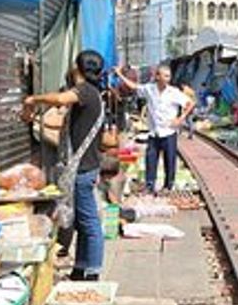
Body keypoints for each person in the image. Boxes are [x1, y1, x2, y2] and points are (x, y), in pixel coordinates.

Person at [24, 50, 106, 280]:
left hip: (82, 170)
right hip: (81, 168)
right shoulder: (91, 94)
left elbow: (61, 99)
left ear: (78, 68)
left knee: (89, 223)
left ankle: (93, 272)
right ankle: (80, 269)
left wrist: (33, 99)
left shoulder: (86, 92)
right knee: (80, 221)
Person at [114, 64, 192, 194]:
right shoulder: (149, 89)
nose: (167, 79)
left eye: (169, 76)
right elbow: (133, 86)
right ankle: (150, 185)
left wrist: (180, 118)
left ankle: (168, 186)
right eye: (165, 76)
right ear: (157, 76)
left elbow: (190, 103)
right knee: (150, 159)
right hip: (153, 132)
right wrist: (120, 75)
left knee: (170, 160)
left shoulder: (174, 92)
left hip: (169, 132)